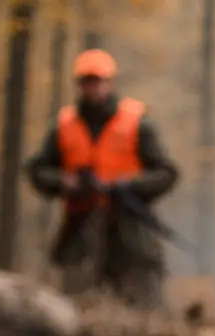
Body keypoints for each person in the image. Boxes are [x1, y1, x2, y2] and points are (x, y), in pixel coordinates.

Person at [24, 48, 179, 310]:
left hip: (130, 226)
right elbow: (37, 170)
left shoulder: (138, 123)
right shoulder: (64, 125)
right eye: (86, 81)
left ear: (110, 82)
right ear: (78, 84)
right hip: (81, 224)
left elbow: (166, 173)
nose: (92, 87)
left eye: (97, 80)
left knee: (141, 300)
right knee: (76, 303)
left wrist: (128, 185)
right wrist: (65, 182)